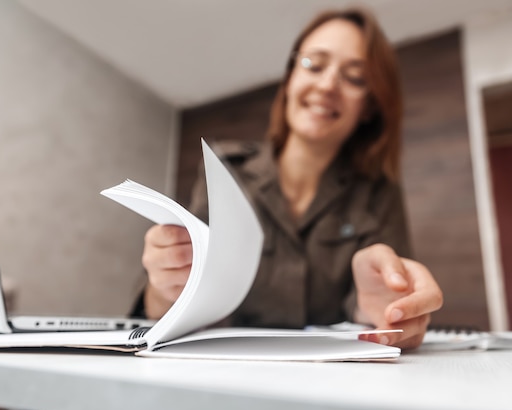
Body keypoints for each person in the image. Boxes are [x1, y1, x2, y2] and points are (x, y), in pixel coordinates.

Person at [136, 6, 443, 349]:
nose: (327, 85)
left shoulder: (379, 191)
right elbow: (177, 302)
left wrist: (388, 308)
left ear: (369, 106)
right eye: (314, 63)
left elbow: (386, 312)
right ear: (291, 76)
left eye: (355, 77)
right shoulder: (227, 168)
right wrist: (165, 288)